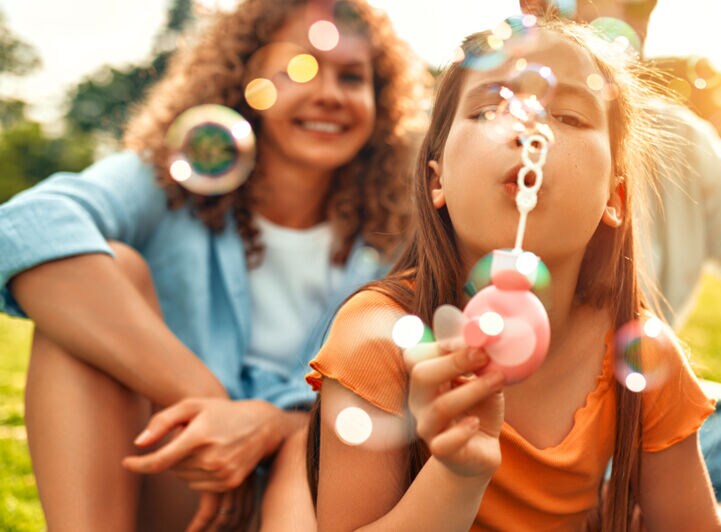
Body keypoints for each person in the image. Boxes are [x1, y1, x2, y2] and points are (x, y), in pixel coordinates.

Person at [0, 0, 427, 529]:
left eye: (353, 77)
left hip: (315, 498)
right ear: (245, 82)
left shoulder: (398, 234)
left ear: (382, 104)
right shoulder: (168, 181)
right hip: (179, 475)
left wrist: (271, 425)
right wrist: (207, 399)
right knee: (111, 268)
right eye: (300, 68)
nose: (328, 94)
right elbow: (24, 226)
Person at [303, 17, 721, 530]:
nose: (530, 130)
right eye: (488, 110)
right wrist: (456, 476)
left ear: (614, 200)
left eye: (568, 116)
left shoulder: (643, 356)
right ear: (438, 181)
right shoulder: (378, 338)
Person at [521, 0, 721, 326]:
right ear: (535, 6)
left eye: (644, 7)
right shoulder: (479, 132)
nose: (639, 26)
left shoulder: (681, 141)